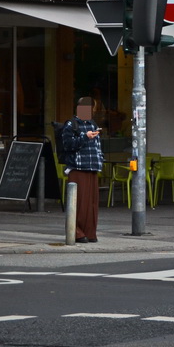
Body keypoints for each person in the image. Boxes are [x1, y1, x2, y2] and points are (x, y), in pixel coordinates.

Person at [60, 96, 103, 243]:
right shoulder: (71, 124)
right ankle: (77, 232)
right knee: (80, 203)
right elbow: (68, 145)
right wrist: (85, 137)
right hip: (78, 167)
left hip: (92, 167)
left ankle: (90, 233)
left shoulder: (92, 124)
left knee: (91, 203)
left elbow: (97, 146)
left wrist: (99, 159)